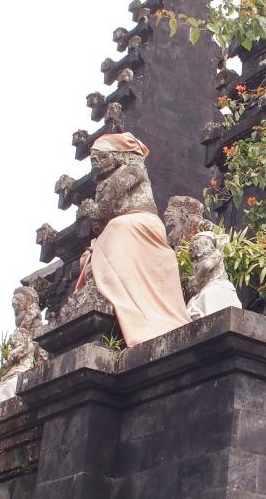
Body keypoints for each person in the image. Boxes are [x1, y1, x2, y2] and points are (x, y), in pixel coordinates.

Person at [75, 133, 190, 346]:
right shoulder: (106, 181)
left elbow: (104, 208)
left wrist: (89, 208)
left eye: (101, 157)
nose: (96, 164)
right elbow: (99, 221)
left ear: (117, 154)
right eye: (93, 160)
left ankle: (132, 306)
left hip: (141, 223)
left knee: (115, 229)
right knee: (101, 241)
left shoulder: (133, 168)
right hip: (122, 225)